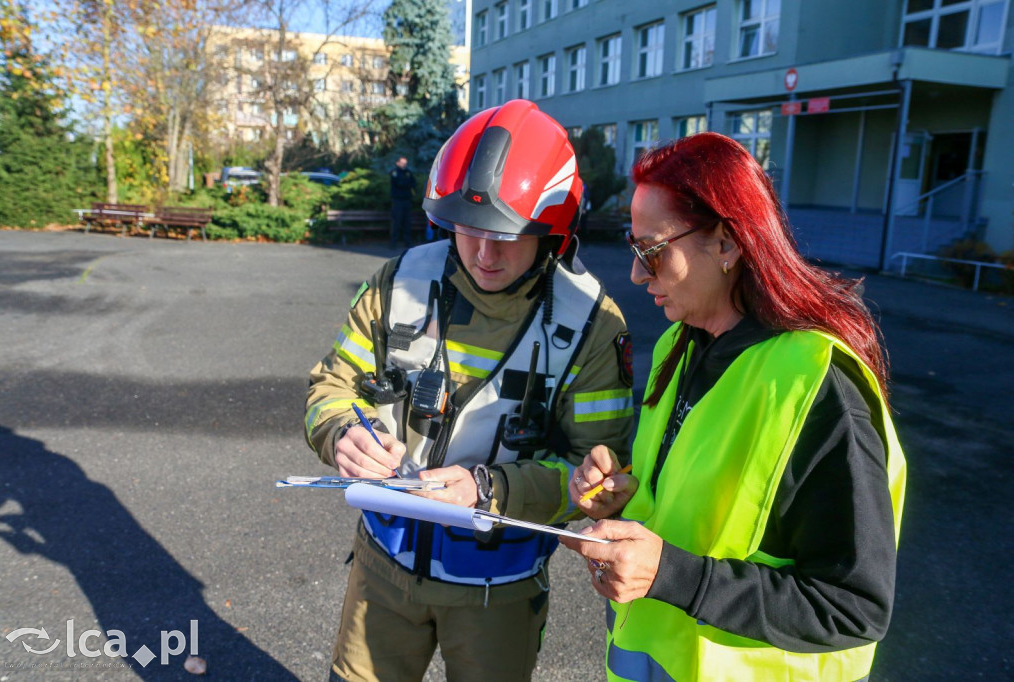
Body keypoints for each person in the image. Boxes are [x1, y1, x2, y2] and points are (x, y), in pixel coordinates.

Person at [558, 132, 908, 682]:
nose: (635, 274)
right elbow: (699, 505)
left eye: (652, 252)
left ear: (726, 244)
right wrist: (623, 496)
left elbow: (854, 606)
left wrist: (670, 574)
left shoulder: (818, 389)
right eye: (634, 249)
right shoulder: (682, 343)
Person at [306, 99, 634, 682]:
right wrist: (341, 434)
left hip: (497, 591)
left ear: (554, 232)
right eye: (469, 228)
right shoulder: (399, 281)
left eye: (507, 234)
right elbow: (331, 386)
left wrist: (490, 490)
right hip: (382, 570)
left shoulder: (591, 326)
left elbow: (600, 478)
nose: (484, 253)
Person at [389, 155, 416, 248]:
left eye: (405, 163)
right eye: (402, 163)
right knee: (397, 222)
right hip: (397, 201)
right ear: (398, 163)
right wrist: (406, 184)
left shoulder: (408, 172)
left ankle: (407, 242)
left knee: (407, 222)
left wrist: (406, 184)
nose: (404, 164)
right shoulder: (394, 172)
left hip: (407, 201)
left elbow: (413, 183)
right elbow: (399, 183)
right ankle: (393, 243)